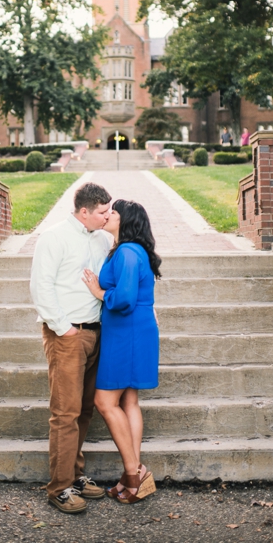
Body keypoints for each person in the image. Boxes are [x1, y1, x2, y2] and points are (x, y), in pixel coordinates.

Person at [30, 182, 113, 514]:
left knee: (84, 410)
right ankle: (59, 487)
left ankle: (75, 476)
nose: (109, 217)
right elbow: (41, 285)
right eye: (103, 212)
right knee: (65, 413)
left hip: (96, 333)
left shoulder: (103, 239)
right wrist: (63, 329)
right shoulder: (54, 237)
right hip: (67, 335)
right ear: (84, 212)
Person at [82, 199, 161, 504]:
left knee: (104, 401)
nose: (108, 215)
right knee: (129, 400)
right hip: (132, 329)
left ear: (125, 220)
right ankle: (134, 477)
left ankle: (133, 473)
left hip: (127, 330)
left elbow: (125, 298)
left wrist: (98, 292)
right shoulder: (128, 249)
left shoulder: (128, 251)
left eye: (113, 212)